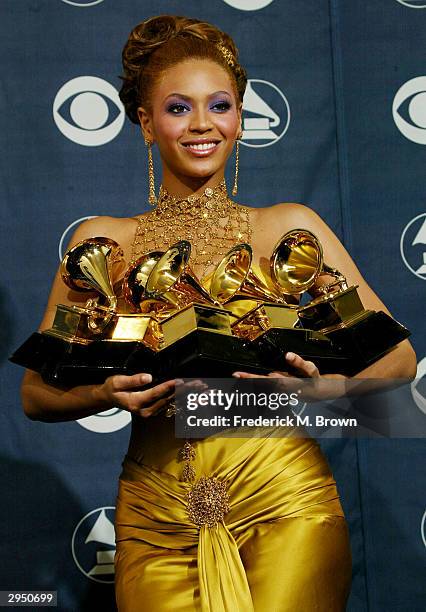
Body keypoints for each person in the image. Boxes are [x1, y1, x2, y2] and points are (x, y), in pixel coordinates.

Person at [21, 15, 416, 612]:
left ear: (239, 117)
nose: (203, 124)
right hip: (155, 518)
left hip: (283, 500)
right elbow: (35, 394)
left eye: (221, 105)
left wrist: (319, 391)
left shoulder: (288, 229)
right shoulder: (104, 245)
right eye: (179, 108)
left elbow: (401, 361)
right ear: (144, 122)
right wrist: (107, 393)